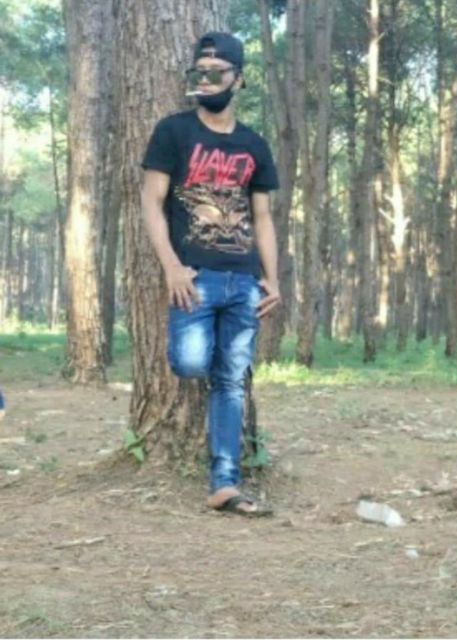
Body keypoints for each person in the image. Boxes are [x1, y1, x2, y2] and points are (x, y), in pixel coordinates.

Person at [141, 32, 280, 517]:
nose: (206, 81)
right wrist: (172, 267)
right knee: (190, 363)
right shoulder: (173, 132)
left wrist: (273, 279)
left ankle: (224, 482)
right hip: (194, 277)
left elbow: (262, 217)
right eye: (199, 73)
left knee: (231, 381)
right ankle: (222, 474)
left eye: (216, 73)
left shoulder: (254, 144)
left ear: (237, 79)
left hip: (244, 281)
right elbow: (151, 203)